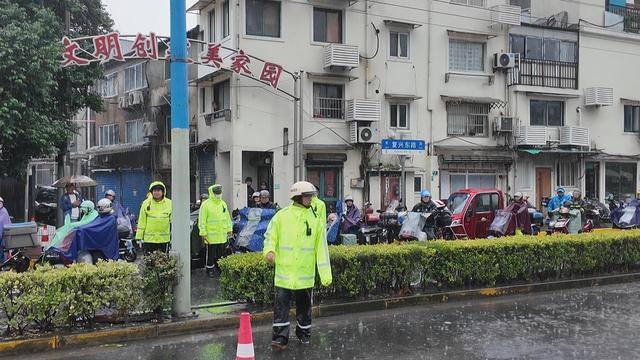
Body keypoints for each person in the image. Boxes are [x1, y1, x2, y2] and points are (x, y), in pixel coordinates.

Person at [264, 181, 332, 349]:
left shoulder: (315, 220)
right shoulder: (281, 216)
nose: (311, 199)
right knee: (281, 308)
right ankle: (280, 339)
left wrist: (326, 275)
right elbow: (270, 235)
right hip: (284, 272)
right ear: (297, 197)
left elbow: (321, 249)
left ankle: (304, 334)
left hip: (305, 274)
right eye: (308, 196)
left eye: (311, 196)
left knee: (304, 308)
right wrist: (269, 251)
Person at [198, 184, 233, 277]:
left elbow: (227, 217)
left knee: (222, 253)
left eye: (219, 192)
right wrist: (203, 233)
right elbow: (202, 220)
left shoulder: (223, 203)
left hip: (222, 234)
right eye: (216, 193)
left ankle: (220, 268)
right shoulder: (205, 204)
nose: (218, 194)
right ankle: (210, 269)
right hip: (211, 235)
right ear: (211, 193)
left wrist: (230, 229)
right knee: (210, 254)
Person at [135, 181, 172, 254]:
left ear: (163, 192)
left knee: (163, 262)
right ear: (151, 192)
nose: (156, 192)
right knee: (149, 261)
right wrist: (139, 237)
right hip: (149, 240)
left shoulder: (169, 203)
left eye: (158, 190)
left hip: (164, 240)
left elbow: (174, 220)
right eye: (154, 190)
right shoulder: (146, 203)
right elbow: (142, 221)